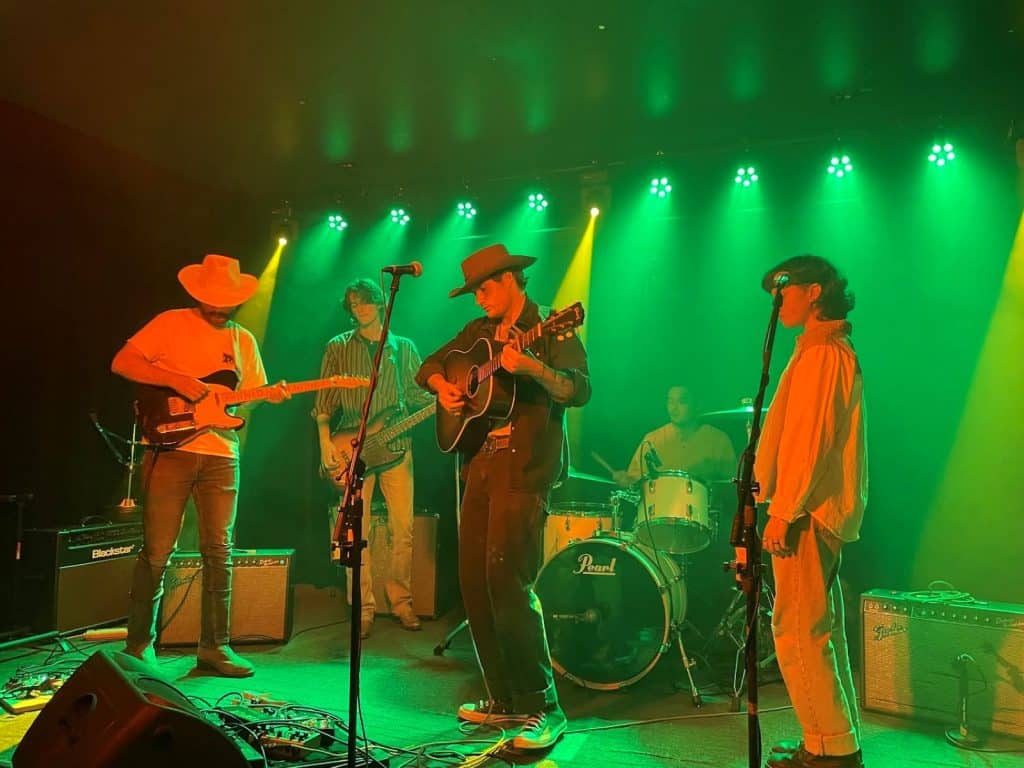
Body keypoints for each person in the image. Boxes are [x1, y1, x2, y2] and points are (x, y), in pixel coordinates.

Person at [416, 243, 590, 751]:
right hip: (481, 465)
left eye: (485, 289)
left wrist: (532, 367)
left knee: (507, 579)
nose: (478, 300)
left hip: (524, 467)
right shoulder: (476, 335)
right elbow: (427, 364)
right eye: (473, 292)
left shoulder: (553, 325)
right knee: (473, 579)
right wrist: (441, 387)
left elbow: (578, 390)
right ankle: (504, 699)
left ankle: (543, 705)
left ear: (512, 279)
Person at [111, 253, 288, 678]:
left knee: (220, 551)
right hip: (170, 450)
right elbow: (122, 362)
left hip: (223, 456)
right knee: (157, 552)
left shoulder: (244, 339)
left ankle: (215, 647)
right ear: (196, 294)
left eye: (225, 300)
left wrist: (268, 395)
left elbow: (246, 395)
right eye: (210, 298)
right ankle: (138, 645)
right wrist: (180, 381)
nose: (218, 306)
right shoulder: (170, 322)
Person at [754, 255, 868, 768]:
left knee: (799, 631)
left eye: (784, 291)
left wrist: (783, 511)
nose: (777, 304)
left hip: (807, 514)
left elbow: (810, 444)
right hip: (814, 511)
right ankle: (829, 743)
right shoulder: (817, 352)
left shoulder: (824, 355)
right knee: (818, 631)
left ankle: (830, 752)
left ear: (814, 291)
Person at [314, 277, 432, 639]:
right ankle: (361, 610)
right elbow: (323, 404)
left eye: (365, 302)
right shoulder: (338, 346)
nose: (359, 309)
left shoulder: (403, 347)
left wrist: (447, 399)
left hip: (397, 448)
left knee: (404, 530)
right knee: (355, 532)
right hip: (353, 447)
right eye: (353, 305)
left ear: (380, 303)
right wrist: (326, 447)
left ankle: (402, 603)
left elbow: (416, 394)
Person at [613, 384, 736, 487]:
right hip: (660, 512)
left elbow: (731, 485)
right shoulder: (652, 439)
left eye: (682, 402)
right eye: (670, 401)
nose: (673, 408)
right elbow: (634, 482)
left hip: (704, 513)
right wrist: (627, 480)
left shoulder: (718, 439)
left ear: (697, 405)